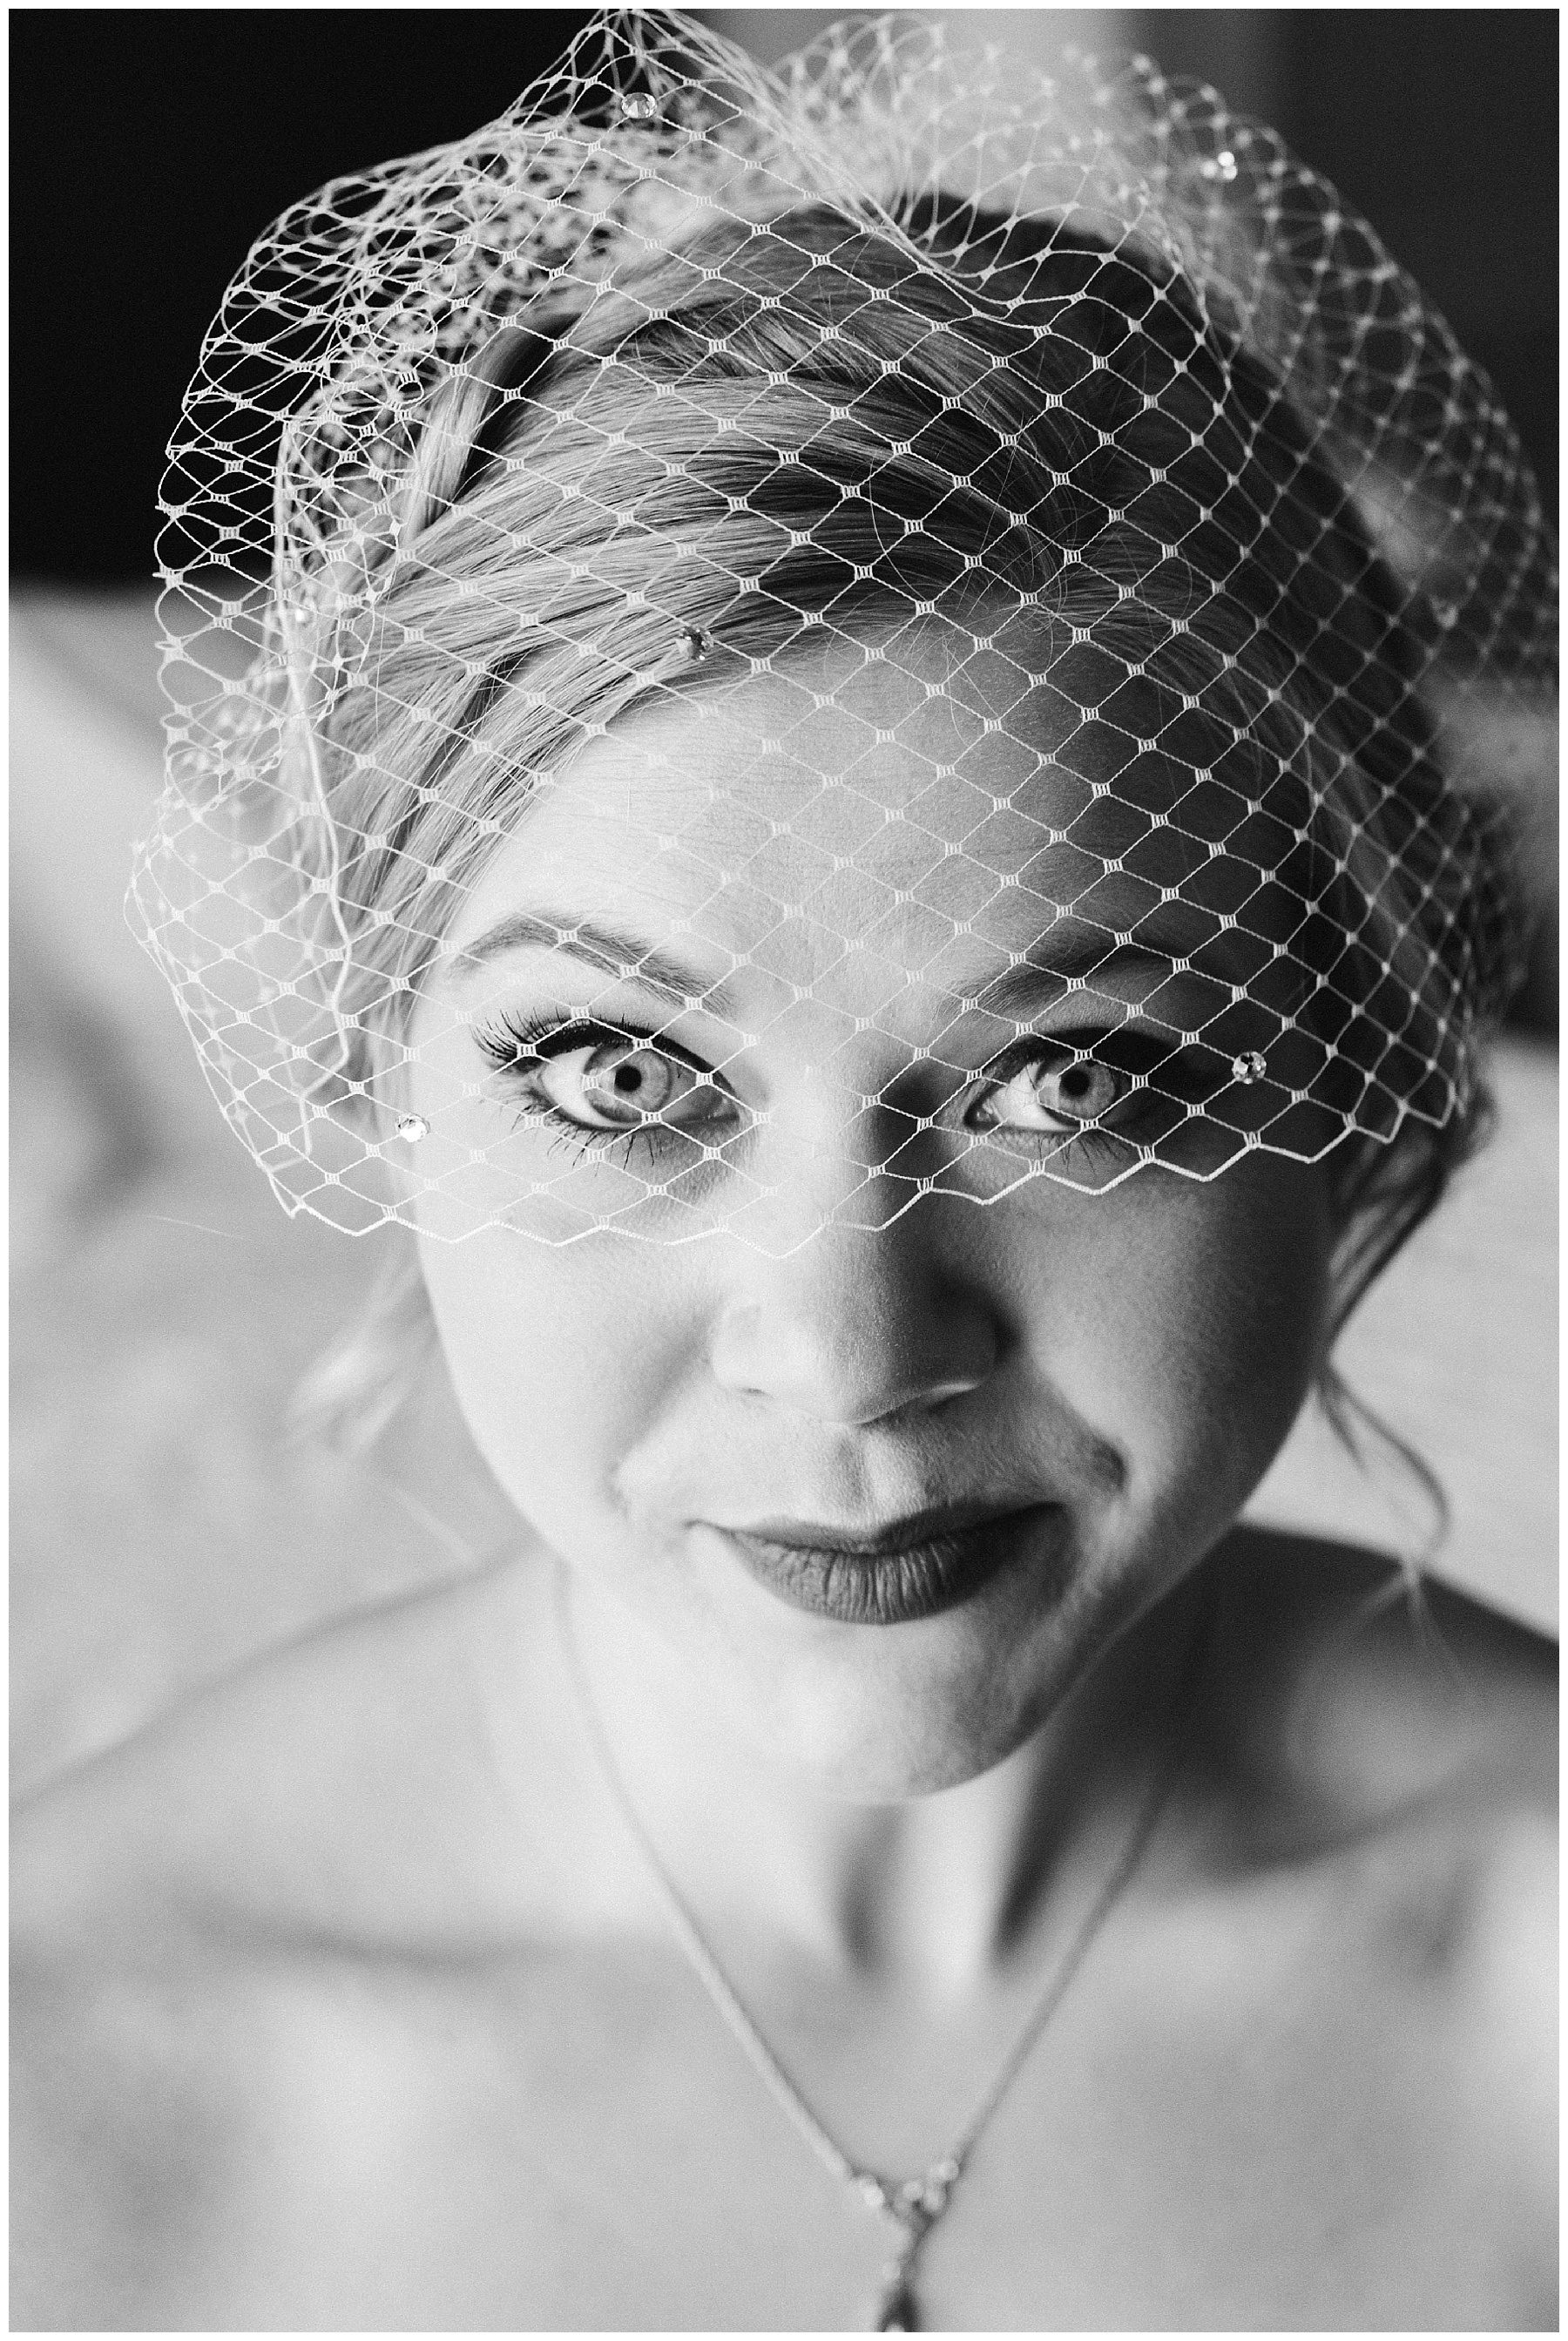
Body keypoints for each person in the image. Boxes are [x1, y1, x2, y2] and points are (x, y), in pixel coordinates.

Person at [14, 13, 1555, 2329]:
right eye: (622, 1075)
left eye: (1079, 1079)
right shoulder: (68, 2092)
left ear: (1354, 1087)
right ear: (381, 1085)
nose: (848, 1355)